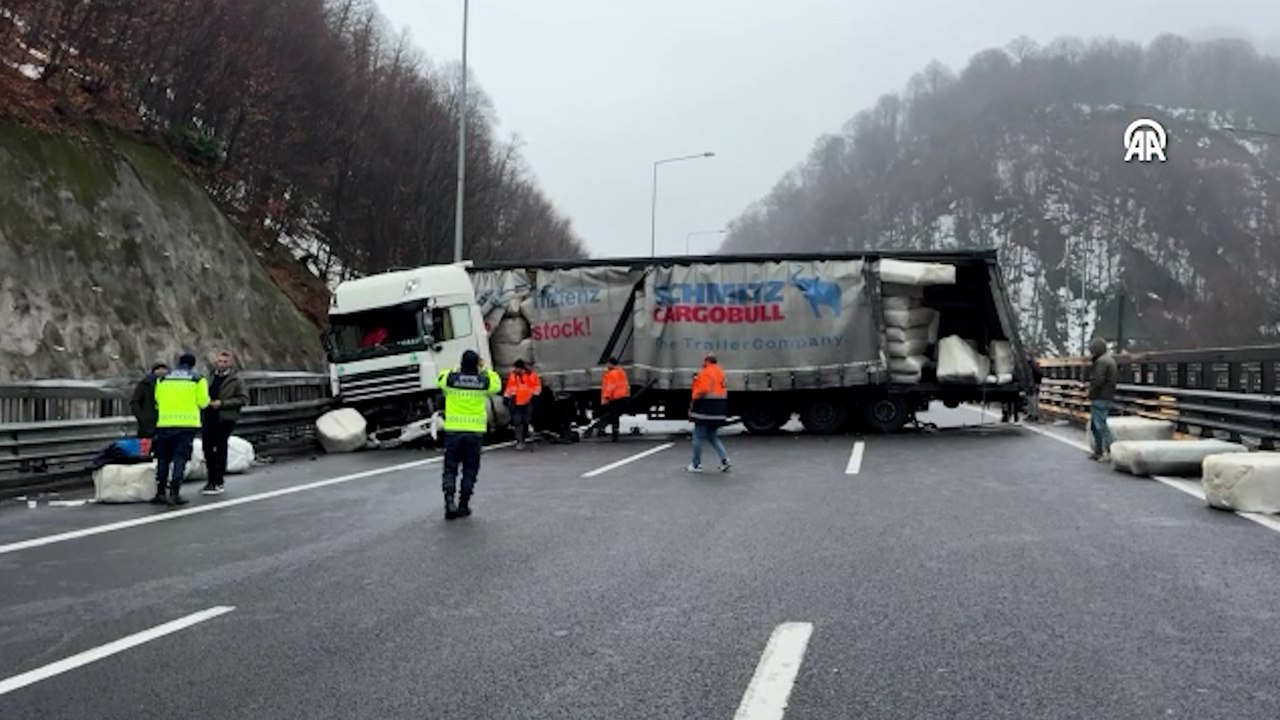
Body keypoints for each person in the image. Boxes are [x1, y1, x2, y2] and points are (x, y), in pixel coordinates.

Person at [438, 349, 502, 520]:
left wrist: (456, 368)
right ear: (476, 364)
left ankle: (449, 501)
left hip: (453, 432)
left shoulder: (450, 380)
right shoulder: (483, 381)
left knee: (450, 469)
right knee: (470, 470)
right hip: (474, 433)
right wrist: (485, 368)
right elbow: (497, 385)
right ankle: (463, 504)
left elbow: (441, 378)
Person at [151, 353, 210, 506]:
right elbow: (203, 403)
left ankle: (160, 492)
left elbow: (157, 399)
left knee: (163, 459)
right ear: (193, 364)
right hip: (186, 425)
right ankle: (174, 493)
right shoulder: (197, 379)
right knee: (180, 459)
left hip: (164, 424)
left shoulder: (163, 378)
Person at [200, 350, 250, 496]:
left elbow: (243, 399)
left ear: (230, 363)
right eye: (220, 361)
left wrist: (223, 404)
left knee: (220, 447)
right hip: (208, 416)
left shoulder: (236, 380)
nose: (221, 364)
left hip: (225, 417)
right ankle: (210, 480)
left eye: (225, 362)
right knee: (207, 448)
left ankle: (218, 481)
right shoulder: (209, 376)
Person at [688, 354, 731, 473]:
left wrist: (694, 397)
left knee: (697, 437)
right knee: (712, 436)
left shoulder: (706, 372)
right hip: (719, 409)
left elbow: (703, 389)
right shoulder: (720, 372)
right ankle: (725, 460)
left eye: (704, 361)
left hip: (705, 409)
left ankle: (696, 465)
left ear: (707, 361)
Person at [1087, 337, 1118, 461]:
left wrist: (1090, 392)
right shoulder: (1109, 360)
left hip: (1100, 397)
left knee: (1101, 426)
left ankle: (1112, 451)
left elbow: (1098, 381)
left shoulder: (1102, 362)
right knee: (1095, 425)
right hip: (1107, 396)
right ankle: (1098, 451)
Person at [504, 359, 542, 450]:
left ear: (521, 368)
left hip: (527, 401)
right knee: (517, 422)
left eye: (516, 368)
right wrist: (506, 396)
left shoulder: (531, 375)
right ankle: (520, 441)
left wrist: (535, 396)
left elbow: (537, 386)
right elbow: (509, 387)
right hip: (515, 401)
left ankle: (523, 437)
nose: (514, 369)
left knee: (526, 421)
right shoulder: (513, 375)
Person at [129, 362, 168, 442]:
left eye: (164, 369)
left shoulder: (169, 384)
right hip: (148, 424)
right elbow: (135, 401)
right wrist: (142, 417)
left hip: (164, 422)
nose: (162, 371)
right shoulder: (145, 384)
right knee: (146, 449)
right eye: (159, 369)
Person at [599, 357, 631, 442]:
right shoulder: (621, 372)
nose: (607, 365)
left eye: (608, 363)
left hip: (614, 397)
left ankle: (614, 434)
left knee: (613, 416)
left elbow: (610, 387)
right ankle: (615, 431)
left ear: (611, 364)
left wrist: (606, 397)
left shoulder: (611, 374)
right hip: (622, 397)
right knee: (616, 416)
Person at [1026, 351, 1044, 422]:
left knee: (1034, 400)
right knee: (1030, 400)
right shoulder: (1027, 365)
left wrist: (1037, 383)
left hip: (1034, 384)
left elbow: (1039, 374)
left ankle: (1034, 415)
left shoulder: (1033, 365)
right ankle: (1031, 414)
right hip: (1029, 384)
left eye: (1027, 356)